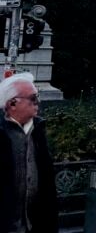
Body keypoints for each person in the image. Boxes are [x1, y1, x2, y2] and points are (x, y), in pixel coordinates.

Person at [0, 73, 56, 233]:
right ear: (12, 104)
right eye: (32, 98)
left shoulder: (38, 130)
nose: (37, 103)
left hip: (34, 226)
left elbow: (47, 184)